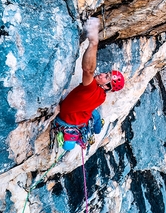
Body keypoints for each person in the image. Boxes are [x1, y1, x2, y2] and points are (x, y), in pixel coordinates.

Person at [53, 17, 125, 150]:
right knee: (95, 114)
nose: (102, 74)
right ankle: (97, 130)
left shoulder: (91, 88)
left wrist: (93, 43)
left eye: (106, 77)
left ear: (106, 86)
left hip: (68, 121)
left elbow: (88, 70)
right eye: (106, 73)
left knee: (69, 146)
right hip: (82, 117)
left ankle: (86, 132)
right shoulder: (101, 96)